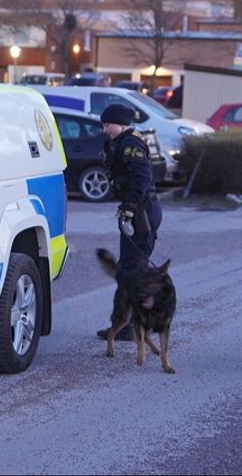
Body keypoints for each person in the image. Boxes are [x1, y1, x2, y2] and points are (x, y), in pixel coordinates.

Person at [96, 102, 163, 341]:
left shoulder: (131, 145)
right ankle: (126, 325)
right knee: (129, 269)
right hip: (138, 212)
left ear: (121, 123)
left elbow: (142, 179)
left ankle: (132, 327)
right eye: (103, 125)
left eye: (108, 125)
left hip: (142, 213)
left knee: (133, 271)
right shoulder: (120, 142)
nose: (105, 129)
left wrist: (131, 206)